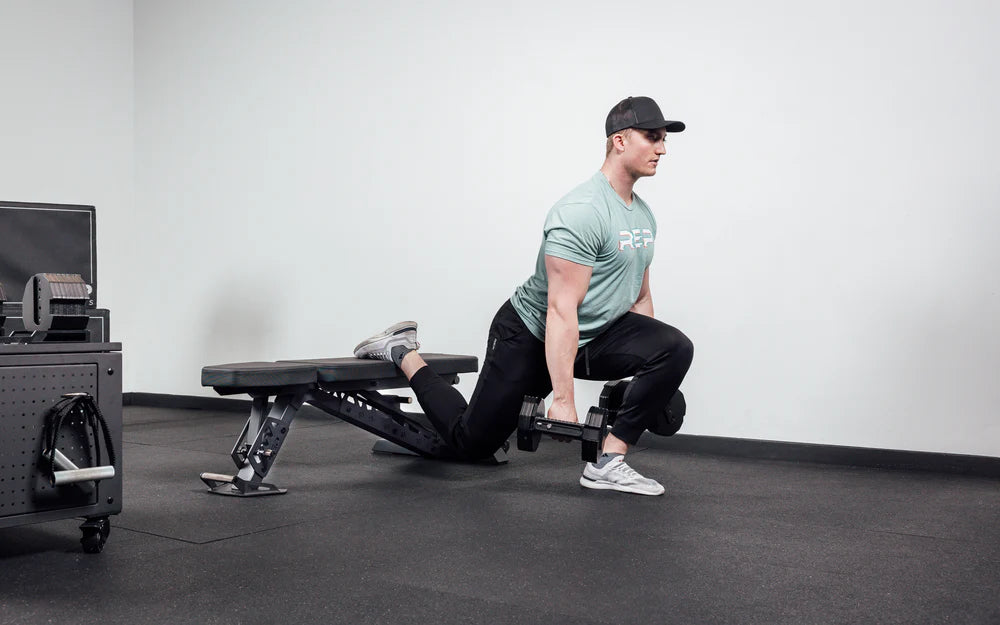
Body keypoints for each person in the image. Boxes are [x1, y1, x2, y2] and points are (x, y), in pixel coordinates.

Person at [353, 96, 694, 496]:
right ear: (619, 141)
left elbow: (639, 298)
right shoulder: (582, 211)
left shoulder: (641, 214)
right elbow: (561, 309)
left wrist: (644, 379)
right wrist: (564, 399)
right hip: (531, 333)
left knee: (675, 347)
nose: (663, 148)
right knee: (473, 443)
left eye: (663, 140)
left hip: (594, 333)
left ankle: (607, 461)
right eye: (652, 137)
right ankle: (403, 351)